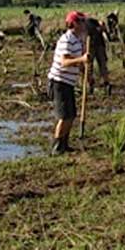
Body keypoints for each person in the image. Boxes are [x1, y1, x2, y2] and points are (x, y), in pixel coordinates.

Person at [47, 11, 89, 155]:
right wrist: (81, 60)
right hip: (59, 82)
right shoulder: (67, 39)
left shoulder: (78, 40)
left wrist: (85, 72)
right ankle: (57, 146)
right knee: (64, 116)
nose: (84, 24)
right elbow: (64, 62)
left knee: (71, 115)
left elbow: (80, 61)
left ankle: (65, 143)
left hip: (69, 82)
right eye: (81, 21)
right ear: (74, 23)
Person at [85, 17, 111, 95]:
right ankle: (91, 85)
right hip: (91, 46)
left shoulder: (91, 22)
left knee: (101, 65)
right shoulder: (86, 23)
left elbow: (103, 29)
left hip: (98, 45)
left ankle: (105, 84)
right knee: (90, 66)